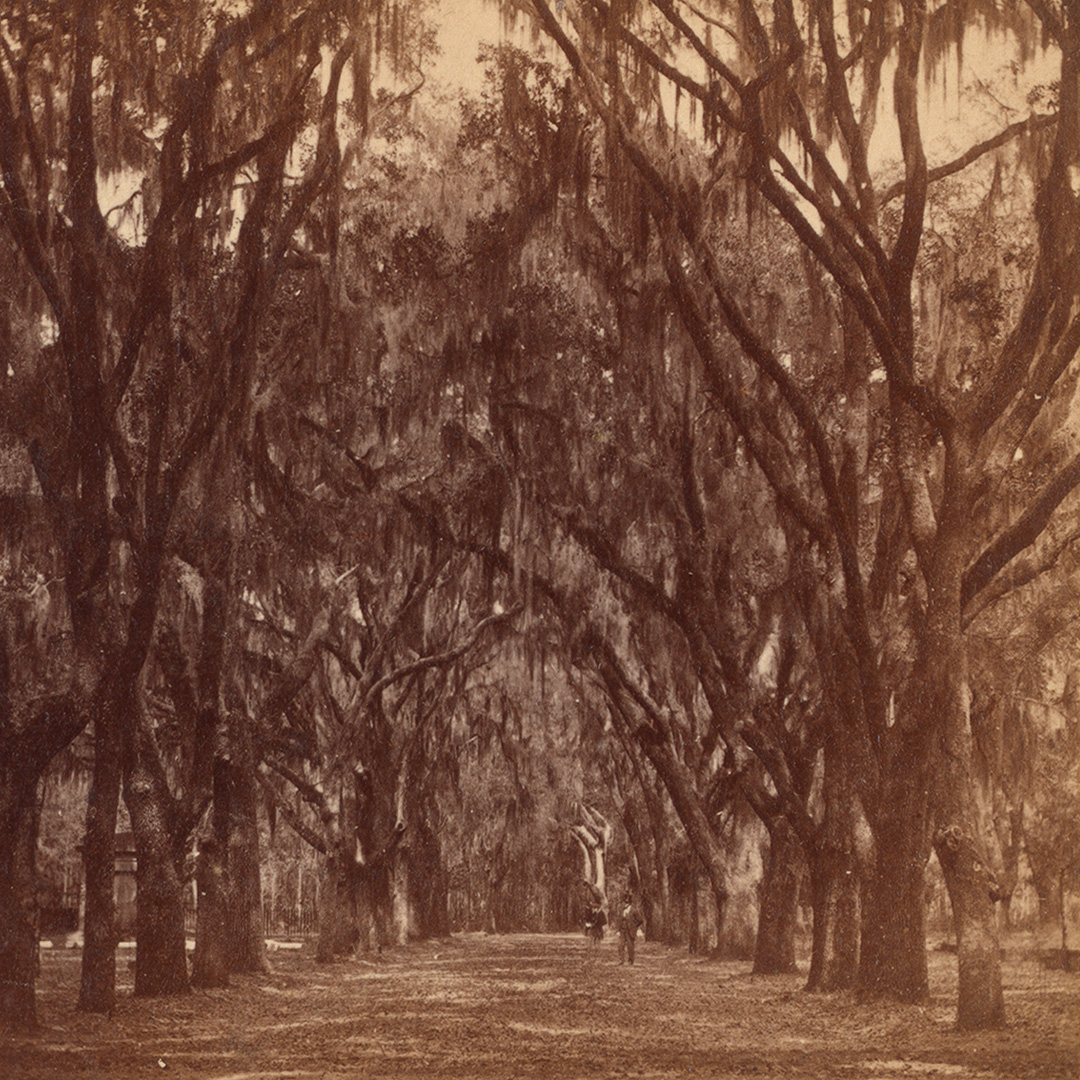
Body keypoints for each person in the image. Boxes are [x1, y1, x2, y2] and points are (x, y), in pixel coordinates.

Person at [618, 891, 644, 965]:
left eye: (626, 902)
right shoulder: (622, 910)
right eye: (624, 901)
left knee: (630, 946)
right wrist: (619, 929)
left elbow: (641, 920)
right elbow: (620, 920)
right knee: (620, 945)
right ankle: (621, 960)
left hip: (630, 931)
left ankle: (631, 960)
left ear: (629, 902)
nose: (625, 903)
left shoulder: (634, 910)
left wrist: (635, 926)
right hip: (623, 930)